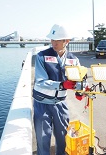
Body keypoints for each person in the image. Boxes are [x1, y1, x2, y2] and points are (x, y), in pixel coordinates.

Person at [33, 24, 80, 155]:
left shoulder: (73, 59)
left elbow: (79, 78)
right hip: (42, 104)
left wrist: (80, 90)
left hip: (60, 104)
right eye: (52, 40)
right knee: (43, 140)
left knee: (63, 138)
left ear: (67, 41)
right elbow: (41, 81)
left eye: (58, 40)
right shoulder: (41, 56)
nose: (54, 43)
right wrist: (62, 85)